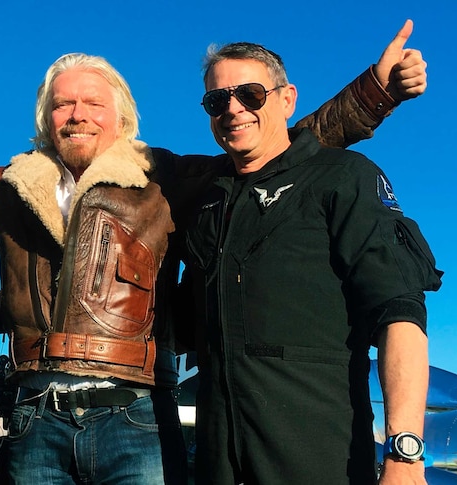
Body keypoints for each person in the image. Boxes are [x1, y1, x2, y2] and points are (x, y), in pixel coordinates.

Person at [0, 22, 426, 485]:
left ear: (121, 115)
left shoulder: (162, 176)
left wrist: (375, 93)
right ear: (45, 117)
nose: (77, 112)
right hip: (35, 414)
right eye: (63, 102)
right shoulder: (8, 186)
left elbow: (278, 145)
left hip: (136, 413)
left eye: (93, 102)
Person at [180, 40, 443, 485]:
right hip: (218, 461)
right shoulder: (204, 197)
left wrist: (404, 452)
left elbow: (400, 313)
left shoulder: (342, 177)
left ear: (287, 99)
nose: (233, 109)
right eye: (216, 99)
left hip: (322, 458)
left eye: (250, 94)